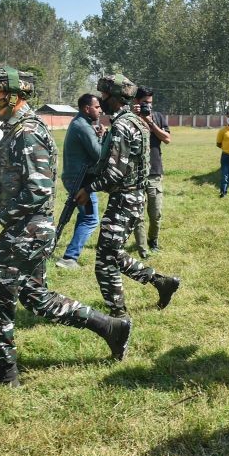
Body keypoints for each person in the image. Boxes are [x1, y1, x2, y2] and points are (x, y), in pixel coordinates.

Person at [0, 67, 131, 388]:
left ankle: (4, 377)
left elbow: (38, 190)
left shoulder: (28, 132)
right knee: (36, 297)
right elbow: (13, 181)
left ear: (14, 96)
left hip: (26, 231)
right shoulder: (13, 130)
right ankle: (110, 327)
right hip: (27, 228)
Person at [75, 73, 180, 318]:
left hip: (125, 199)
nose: (102, 100)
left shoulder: (123, 125)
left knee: (104, 262)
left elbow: (115, 174)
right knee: (113, 254)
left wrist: (87, 189)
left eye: (105, 95)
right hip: (132, 198)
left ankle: (119, 318)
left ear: (115, 97)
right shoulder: (134, 121)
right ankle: (161, 283)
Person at [55, 93, 105, 269]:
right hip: (79, 181)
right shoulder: (83, 126)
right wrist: (104, 138)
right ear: (87, 108)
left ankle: (69, 255)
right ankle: (69, 258)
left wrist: (98, 136)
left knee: (85, 216)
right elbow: (99, 154)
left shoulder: (81, 123)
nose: (100, 110)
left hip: (75, 177)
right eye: (97, 107)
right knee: (91, 218)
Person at [130, 86, 171, 259]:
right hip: (135, 173)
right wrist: (136, 117)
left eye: (150, 103)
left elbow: (167, 139)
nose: (148, 106)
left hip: (154, 171)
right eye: (145, 103)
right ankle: (143, 249)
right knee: (138, 215)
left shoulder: (158, 117)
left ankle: (153, 240)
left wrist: (150, 122)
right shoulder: (130, 118)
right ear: (136, 102)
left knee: (155, 213)